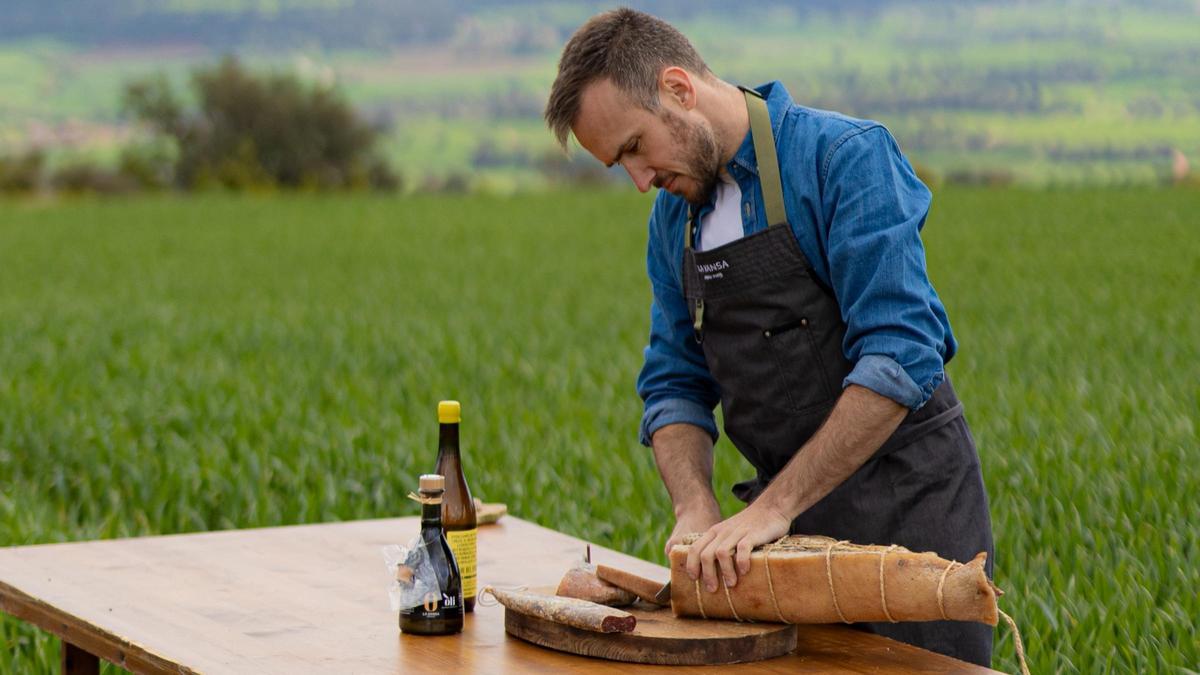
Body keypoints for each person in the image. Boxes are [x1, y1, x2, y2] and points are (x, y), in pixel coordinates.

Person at [544, 8, 995, 667]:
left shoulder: (842, 159)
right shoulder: (675, 223)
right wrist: (695, 503)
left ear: (678, 88)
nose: (640, 180)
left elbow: (901, 352)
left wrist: (775, 505)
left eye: (636, 147)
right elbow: (674, 380)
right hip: (784, 543)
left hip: (909, 519)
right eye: (620, 165)